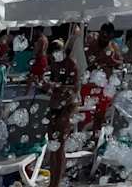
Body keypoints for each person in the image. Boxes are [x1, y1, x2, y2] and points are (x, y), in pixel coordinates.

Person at [45, 38, 79, 187]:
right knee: (53, 149)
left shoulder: (71, 64)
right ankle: (53, 182)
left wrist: (59, 87)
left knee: (59, 149)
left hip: (66, 108)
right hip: (54, 106)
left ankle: (56, 183)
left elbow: (75, 89)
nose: (53, 60)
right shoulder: (55, 64)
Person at [84, 22, 123, 133]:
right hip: (91, 83)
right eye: (103, 34)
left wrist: (111, 61)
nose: (105, 37)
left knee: (101, 113)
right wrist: (95, 63)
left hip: (106, 85)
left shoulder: (113, 47)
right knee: (87, 110)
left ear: (111, 35)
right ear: (100, 32)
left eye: (107, 35)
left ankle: (96, 133)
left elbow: (120, 63)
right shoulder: (92, 45)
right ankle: (85, 132)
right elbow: (86, 61)